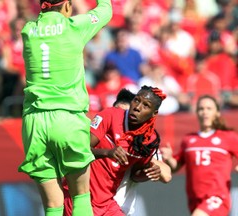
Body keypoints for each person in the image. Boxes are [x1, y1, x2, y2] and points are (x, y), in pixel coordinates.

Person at [17, 0, 112, 215]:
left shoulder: (28, 31)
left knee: (52, 205)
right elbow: (105, 11)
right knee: (80, 198)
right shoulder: (75, 27)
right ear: (67, 6)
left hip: (35, 122)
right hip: (68, 119)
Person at [64, 85, 171, 216]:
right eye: (136, 100)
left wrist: (148, 173)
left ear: (154, 113)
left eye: (146, 105)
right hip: (80, 196)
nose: (137, 107)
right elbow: (80, 151)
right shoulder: (110, 115)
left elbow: (135, 175)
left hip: (106, 203)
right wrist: (107, 153)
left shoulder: (149, 140)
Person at [161, 95, 238, 216]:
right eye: (201, 109)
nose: (205, 112)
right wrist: (169, 158)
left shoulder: (228, 137)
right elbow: (176, 167)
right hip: (194, 198)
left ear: (217, 112)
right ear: (197, 112)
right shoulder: (189, 139)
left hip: (217, 197)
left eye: (209, 108)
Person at [112, 88, 172, 216]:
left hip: (121, 208)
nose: (120, 118)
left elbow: (166, 175)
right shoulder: (101, 136)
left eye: (125, 113)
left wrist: (142, 159)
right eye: (117, 112)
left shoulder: (143, 145)